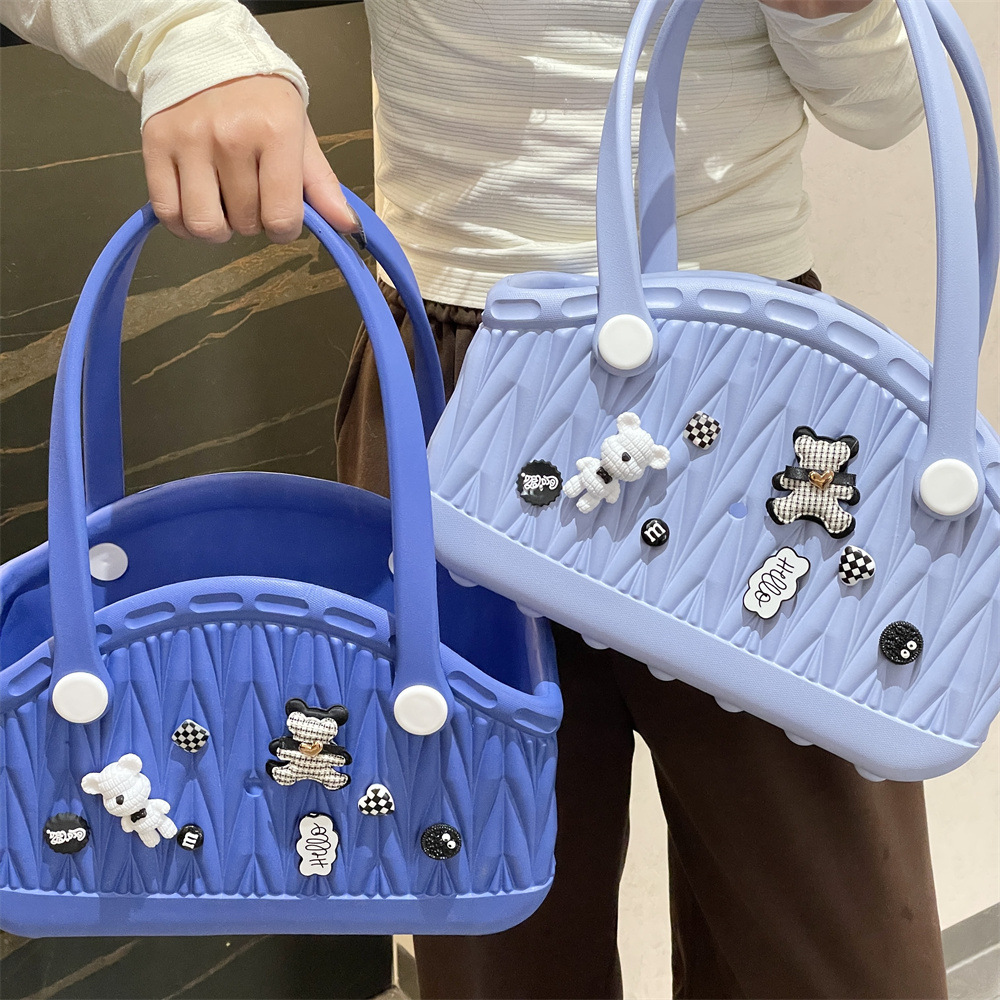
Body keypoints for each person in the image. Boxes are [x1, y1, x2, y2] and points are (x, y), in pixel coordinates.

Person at [1, 2, 949, 996]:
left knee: (844, 954)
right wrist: (186, 38)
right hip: (461, 372)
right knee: (490, 922)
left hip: (752, 395)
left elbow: (882, 103)